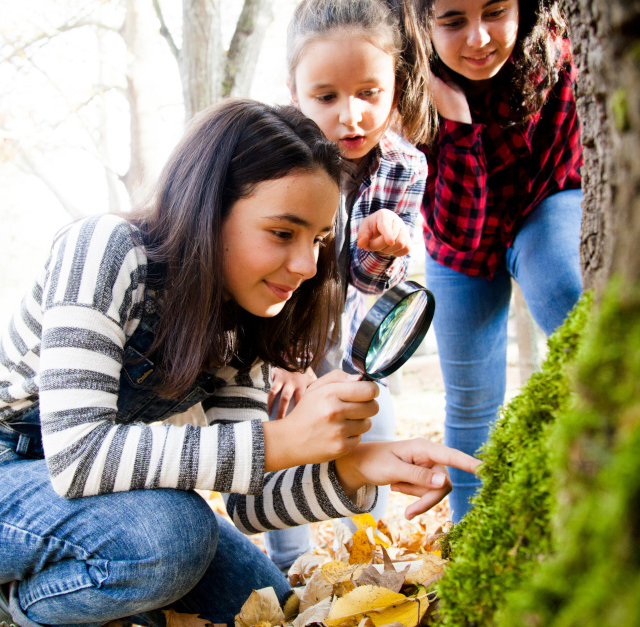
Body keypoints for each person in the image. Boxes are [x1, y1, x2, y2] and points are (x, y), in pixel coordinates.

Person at [0, 98, 479, 627]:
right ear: (209, 209)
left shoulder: (242, 318)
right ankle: (17, 612)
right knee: (172, 539)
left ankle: (111, 596)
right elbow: (79, 456)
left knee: (264, 602)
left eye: (319, 239)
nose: (308, 265)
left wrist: (357, 465)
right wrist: (286, 438)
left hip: (112, 503)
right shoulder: (104, 248)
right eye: (283, 233)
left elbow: (249, 502)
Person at [261, 0, 432, 573]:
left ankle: (370, 558)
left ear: (394, 86)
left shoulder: (403, 167)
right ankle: (291, 566)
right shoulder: (279, 162)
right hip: (287, 322)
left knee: (367, 423)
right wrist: (289, 355)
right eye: (326, 96)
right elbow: (273, 267)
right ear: (295, 92)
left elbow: (368, 282)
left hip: (357, 327)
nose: (350, 116)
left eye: (369, 93)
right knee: (286, 424)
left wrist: (381, 250)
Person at [405, 0, 583, 522]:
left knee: (563, 288)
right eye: (453, 21)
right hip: (458, 243)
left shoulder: (554, 51)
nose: (479, 39)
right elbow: (462, 229)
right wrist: (456, 121)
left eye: (495, 12)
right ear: (423, 24)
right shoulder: (407, 85)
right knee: (471, 402)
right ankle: (469, 541)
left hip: (544, 200)